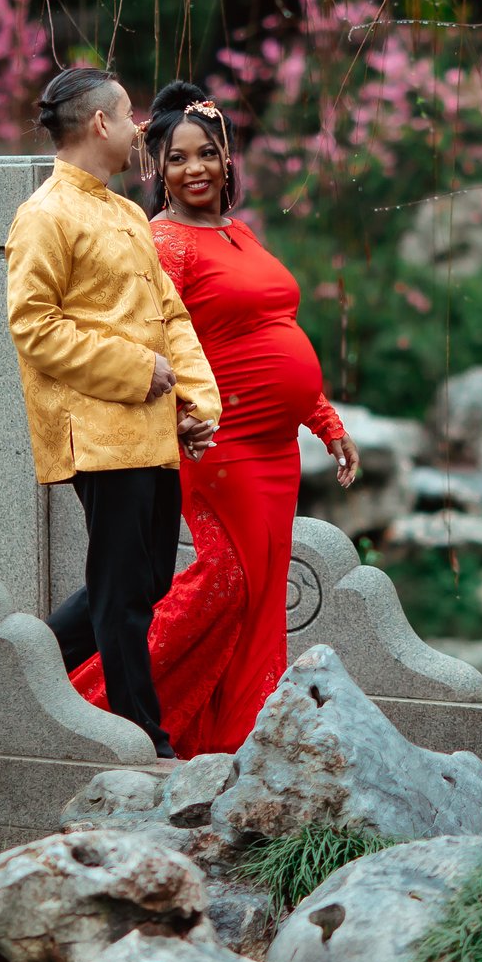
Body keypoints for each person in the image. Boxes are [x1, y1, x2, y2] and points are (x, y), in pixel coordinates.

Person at [70, 82, 360, 757]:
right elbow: (147, 341)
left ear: (228, 161)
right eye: (178, 158)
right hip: (219, 440)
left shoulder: (238, 231)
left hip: (277, 446)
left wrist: (324, 419)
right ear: (158, 170)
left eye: (208, 154)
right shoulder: (163, 242)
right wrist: (176, 416)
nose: (195, 168)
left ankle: (243, 733)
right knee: (223, 584)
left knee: (260, 598)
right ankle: (86, 705)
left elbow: (276, 324)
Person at [5, 66, 221, 758]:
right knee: (125, 593)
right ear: (101, 124)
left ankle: (20, 666)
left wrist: (197, 397)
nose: (139, 132)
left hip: (149, 427)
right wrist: (138, 371)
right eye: (129, 117)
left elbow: (171, 315)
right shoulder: (45, 214)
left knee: (143, 579)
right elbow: (34, 327)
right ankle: (143, 741)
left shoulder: (125, 213)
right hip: (98, 431)